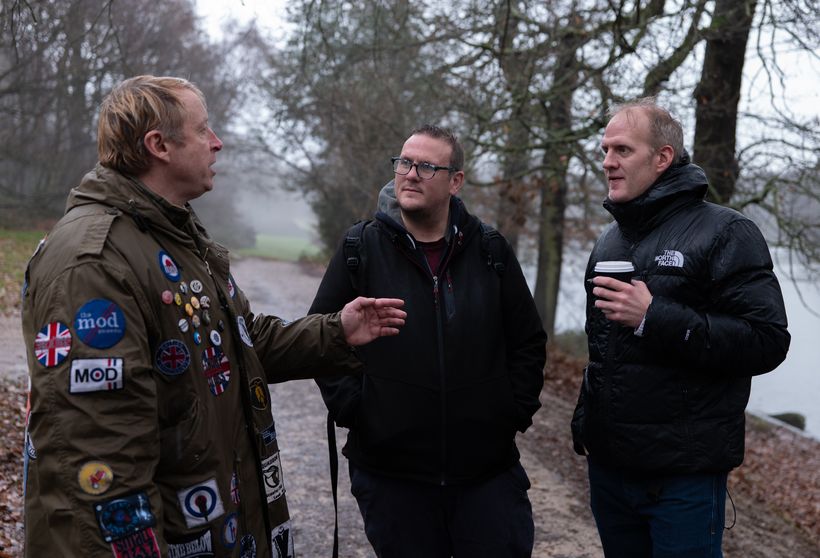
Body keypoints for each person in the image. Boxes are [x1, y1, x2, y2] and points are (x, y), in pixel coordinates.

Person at [21, 75, 406, 558]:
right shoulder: (93, 263)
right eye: (203, 130)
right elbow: (101, 458)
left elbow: (237, 343)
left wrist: (338, 331)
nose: (217, 142)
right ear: (159, 145)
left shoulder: (173, 235)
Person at [309, 125, 547, 558]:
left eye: (426, 167)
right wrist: (358, 410)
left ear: (456, 181)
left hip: (486, 475)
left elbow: (527, 340)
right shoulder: (360, 248)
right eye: (404, 163)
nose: (410, 174)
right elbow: (321, 335)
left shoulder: (490, 250)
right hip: (392, 478)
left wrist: (510, 412)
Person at [571, 98, 790, 557]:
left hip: (682, 479)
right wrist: (587, 426)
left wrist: (655, 318)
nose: (607, 161)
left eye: (622, 150)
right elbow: (604, 353)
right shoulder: (610, 239)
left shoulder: (727, 232)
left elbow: (766, 341)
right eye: (605, 150)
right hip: (610, 471)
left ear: (662, 158)